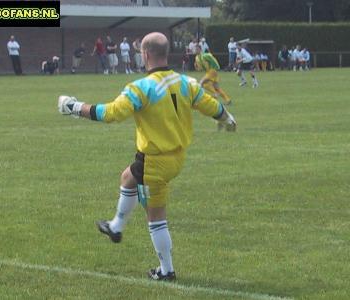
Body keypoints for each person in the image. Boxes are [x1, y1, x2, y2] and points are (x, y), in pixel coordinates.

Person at [57, 32, 236, 281]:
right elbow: (210, 105)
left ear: (145, 54)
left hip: (154, 161)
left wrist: (73, 107)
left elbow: (110, 114)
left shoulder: (141, 88)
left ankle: (166, 270)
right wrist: (227, 119)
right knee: (128, 177)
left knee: (156, 216)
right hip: (175, 157)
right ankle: (116, 227)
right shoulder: (187, 83)